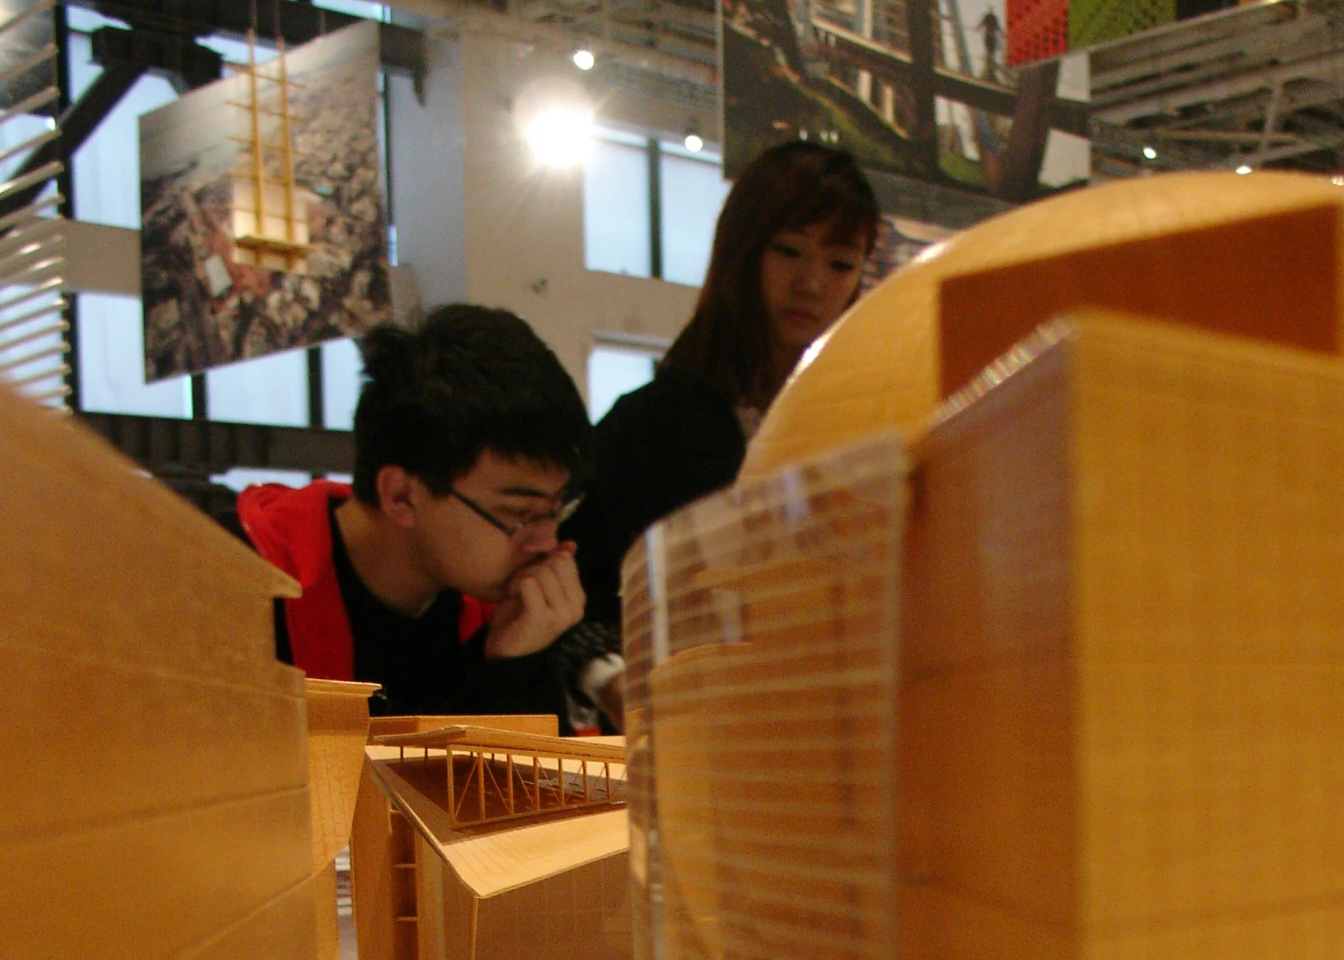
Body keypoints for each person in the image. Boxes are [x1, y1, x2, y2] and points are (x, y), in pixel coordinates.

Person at [570, 141, 881, 718]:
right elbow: (578, 598)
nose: (812, 283)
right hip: (692, 727)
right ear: (742, 251)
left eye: (841, 263)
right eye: (789, 251)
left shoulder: (863, 421)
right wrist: (615, 683)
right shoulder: (648, 426)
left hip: (834, 723)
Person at [240, 304, 618, 720]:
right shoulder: (243, 583)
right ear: (401, 495)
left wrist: (514, 666)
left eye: (557, 508)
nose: (547, 542)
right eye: (519, 514)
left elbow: (527, 784)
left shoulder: (501, 608)